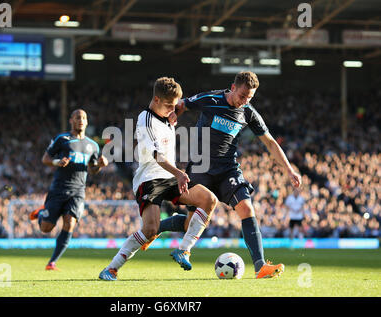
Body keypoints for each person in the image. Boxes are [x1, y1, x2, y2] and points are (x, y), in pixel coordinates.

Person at [150, 71, 302, 279]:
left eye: (250, 97)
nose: (245, 101)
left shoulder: (248, 112)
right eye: (242, 95)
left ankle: (260, 266)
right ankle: (156, 227)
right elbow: (181, 103)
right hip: (201, 168)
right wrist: (175, 113)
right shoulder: (210, 99)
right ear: (232, 88)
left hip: (227, 170)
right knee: (189, 225)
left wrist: (289, 169)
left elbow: (270, 142)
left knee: (247, 208)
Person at [99, 77, 218, 281]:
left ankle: (184, 250)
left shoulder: (167, 118)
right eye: (170, 105)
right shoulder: (145, 119)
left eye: (175, 106)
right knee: (150, 229)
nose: (174, 109)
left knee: (209, 200)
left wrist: (175, 112)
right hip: (150, 179)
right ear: (156, 99)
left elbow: (179, 106)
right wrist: (179, 173)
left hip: (169, 176)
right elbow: (156, 155)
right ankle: (111, 268)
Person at [29, 109, 108, 270]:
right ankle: (42, 213)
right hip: (59, 188)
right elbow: (45, 159)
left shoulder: (92, 146)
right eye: (77, 117)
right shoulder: (62, 139)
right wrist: (57, 162)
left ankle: (52, 262)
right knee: (46, 228)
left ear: (87, 122)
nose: (81, 120)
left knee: (70, 223)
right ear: (71, 120)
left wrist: (99, 165)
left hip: (78, 190)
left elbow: (92, 170)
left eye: (84, 118)